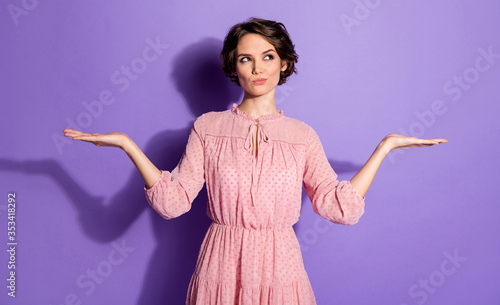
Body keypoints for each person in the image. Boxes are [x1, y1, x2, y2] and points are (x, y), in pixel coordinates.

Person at [63, 17, 447, 304]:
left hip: (280, 266)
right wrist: (129, 146)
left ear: (283, 63)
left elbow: (338, 207)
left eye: (268, 56)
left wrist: (384, 148)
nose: (258, 68)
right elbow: (173, 200)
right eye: (246, 59)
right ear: (234, 68)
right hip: (220, 263)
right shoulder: (208, 128)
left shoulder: (302, 135)